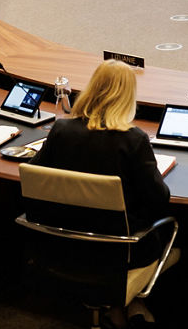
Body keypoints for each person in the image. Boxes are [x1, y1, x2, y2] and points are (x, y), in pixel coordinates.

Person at [30, 60, 172, 266]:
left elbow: (34, 176)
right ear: (128, 96)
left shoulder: (62, 129)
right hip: (121, 251)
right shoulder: (134, 139)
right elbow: (160, 200)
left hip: (62, 244)